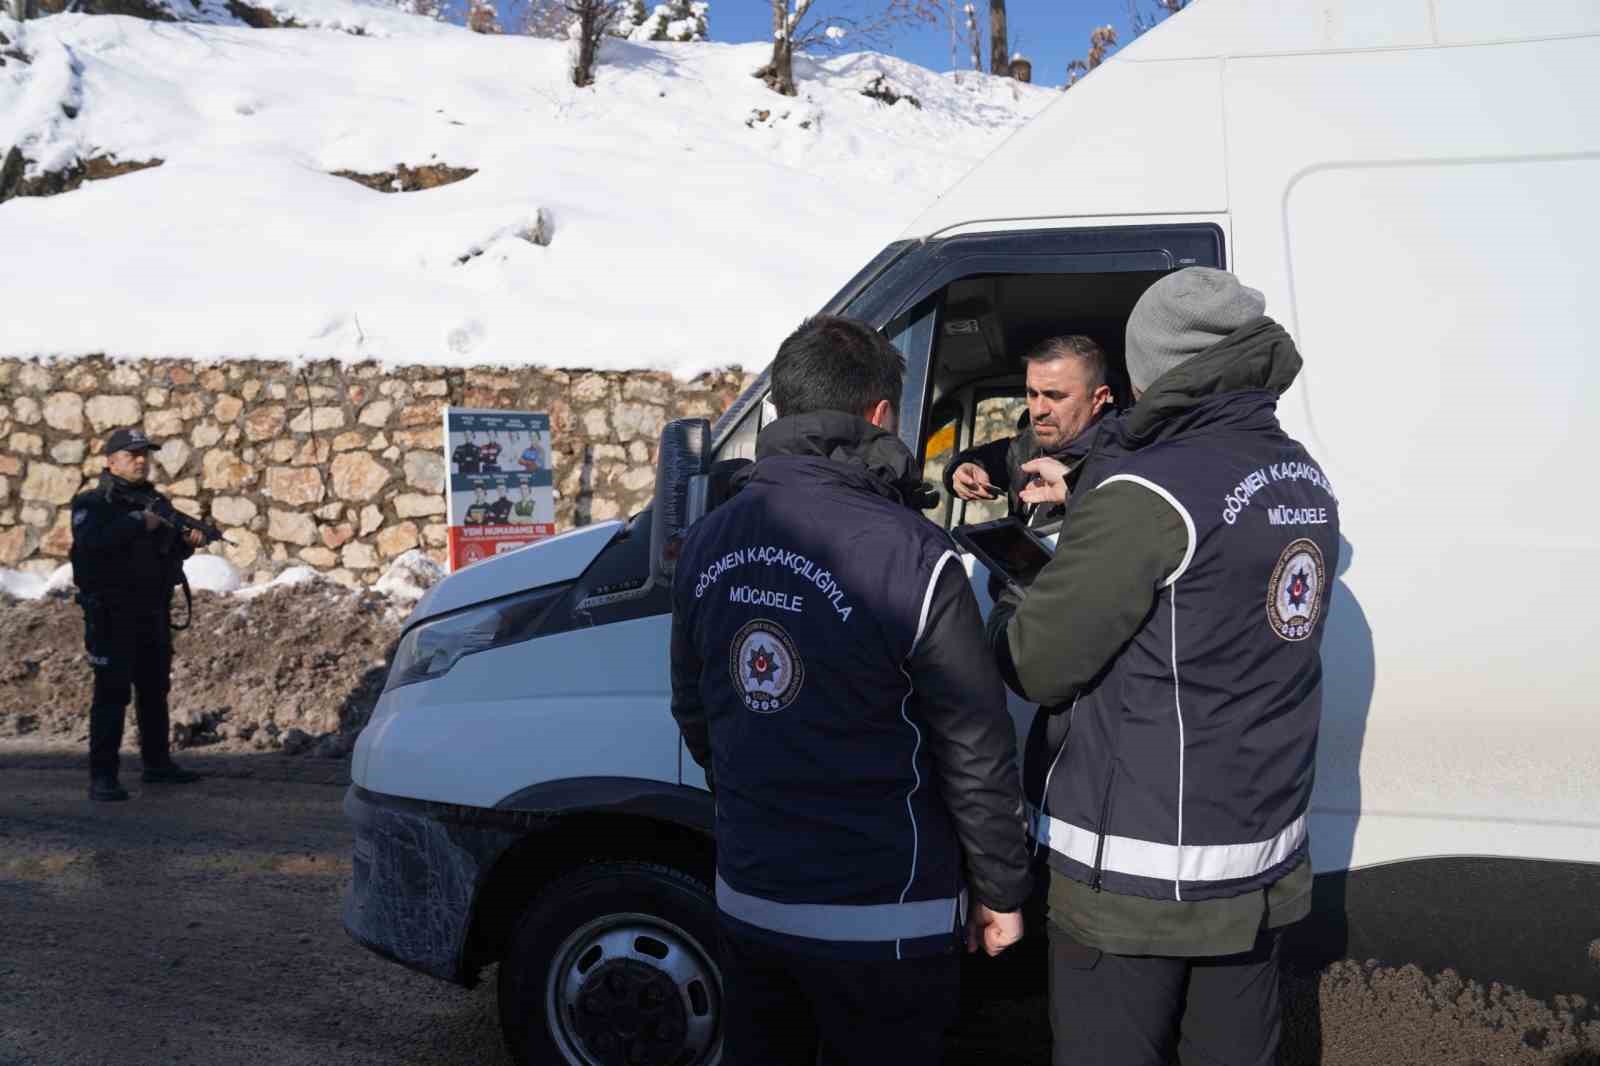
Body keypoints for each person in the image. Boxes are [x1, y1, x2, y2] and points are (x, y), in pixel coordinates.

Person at [986, 268, 1340, 1066]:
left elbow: (1039, 664)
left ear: (1151, 370)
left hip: (1139, 884)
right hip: (1259, 863)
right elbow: (1205, 587)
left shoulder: (1145, 491)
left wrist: (1014, 595)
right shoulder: (1302, 476)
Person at [670, 315, 1032, 1066]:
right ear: (876, 417)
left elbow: (695, 706)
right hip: (884, 921)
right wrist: (1001, 887)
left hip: (749, 899)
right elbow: (973, 740)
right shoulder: (915, 553)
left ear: (779, 411)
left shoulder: (709, 539)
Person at [69, 427, 206, 802]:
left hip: (152, 610)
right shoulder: (91, 504)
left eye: (145, 454)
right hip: (111, 614)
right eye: (132, 455)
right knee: (111, 694)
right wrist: (134, 523)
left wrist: (186, 543)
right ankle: (103, 776)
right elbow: (91, 543)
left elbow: (165, 553)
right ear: (111, 462)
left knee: (154, 690)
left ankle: (157, 764)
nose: (141, 461)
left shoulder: (156, 503)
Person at [944, 335, 1113, 526]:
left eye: (1055, 396)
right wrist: (961, 471)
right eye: (1032, 394)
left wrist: (1074, 493)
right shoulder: (1027, 445)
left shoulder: (1124, 459)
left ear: (1098, 399)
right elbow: (979, 459)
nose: (1038, 410)